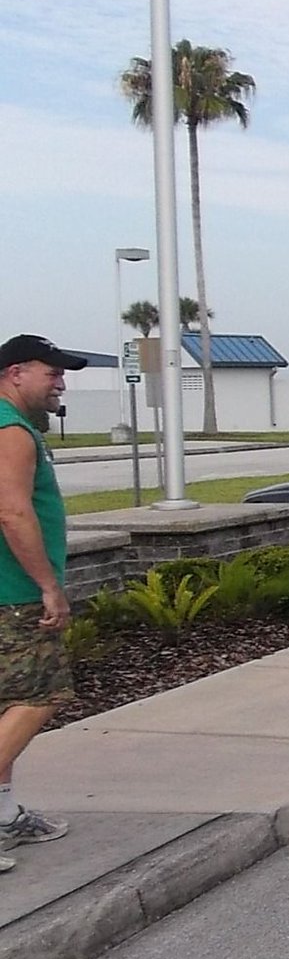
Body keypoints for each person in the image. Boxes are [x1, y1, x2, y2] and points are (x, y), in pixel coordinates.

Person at [0, 335, 90, 871]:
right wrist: (48, 587)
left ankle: (6, 816)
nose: (60, 382)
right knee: (42, 695)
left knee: (10, 704)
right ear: (14, 373)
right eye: (51, 372)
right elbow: (12, 512)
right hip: (14, 596)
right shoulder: (12, 432)